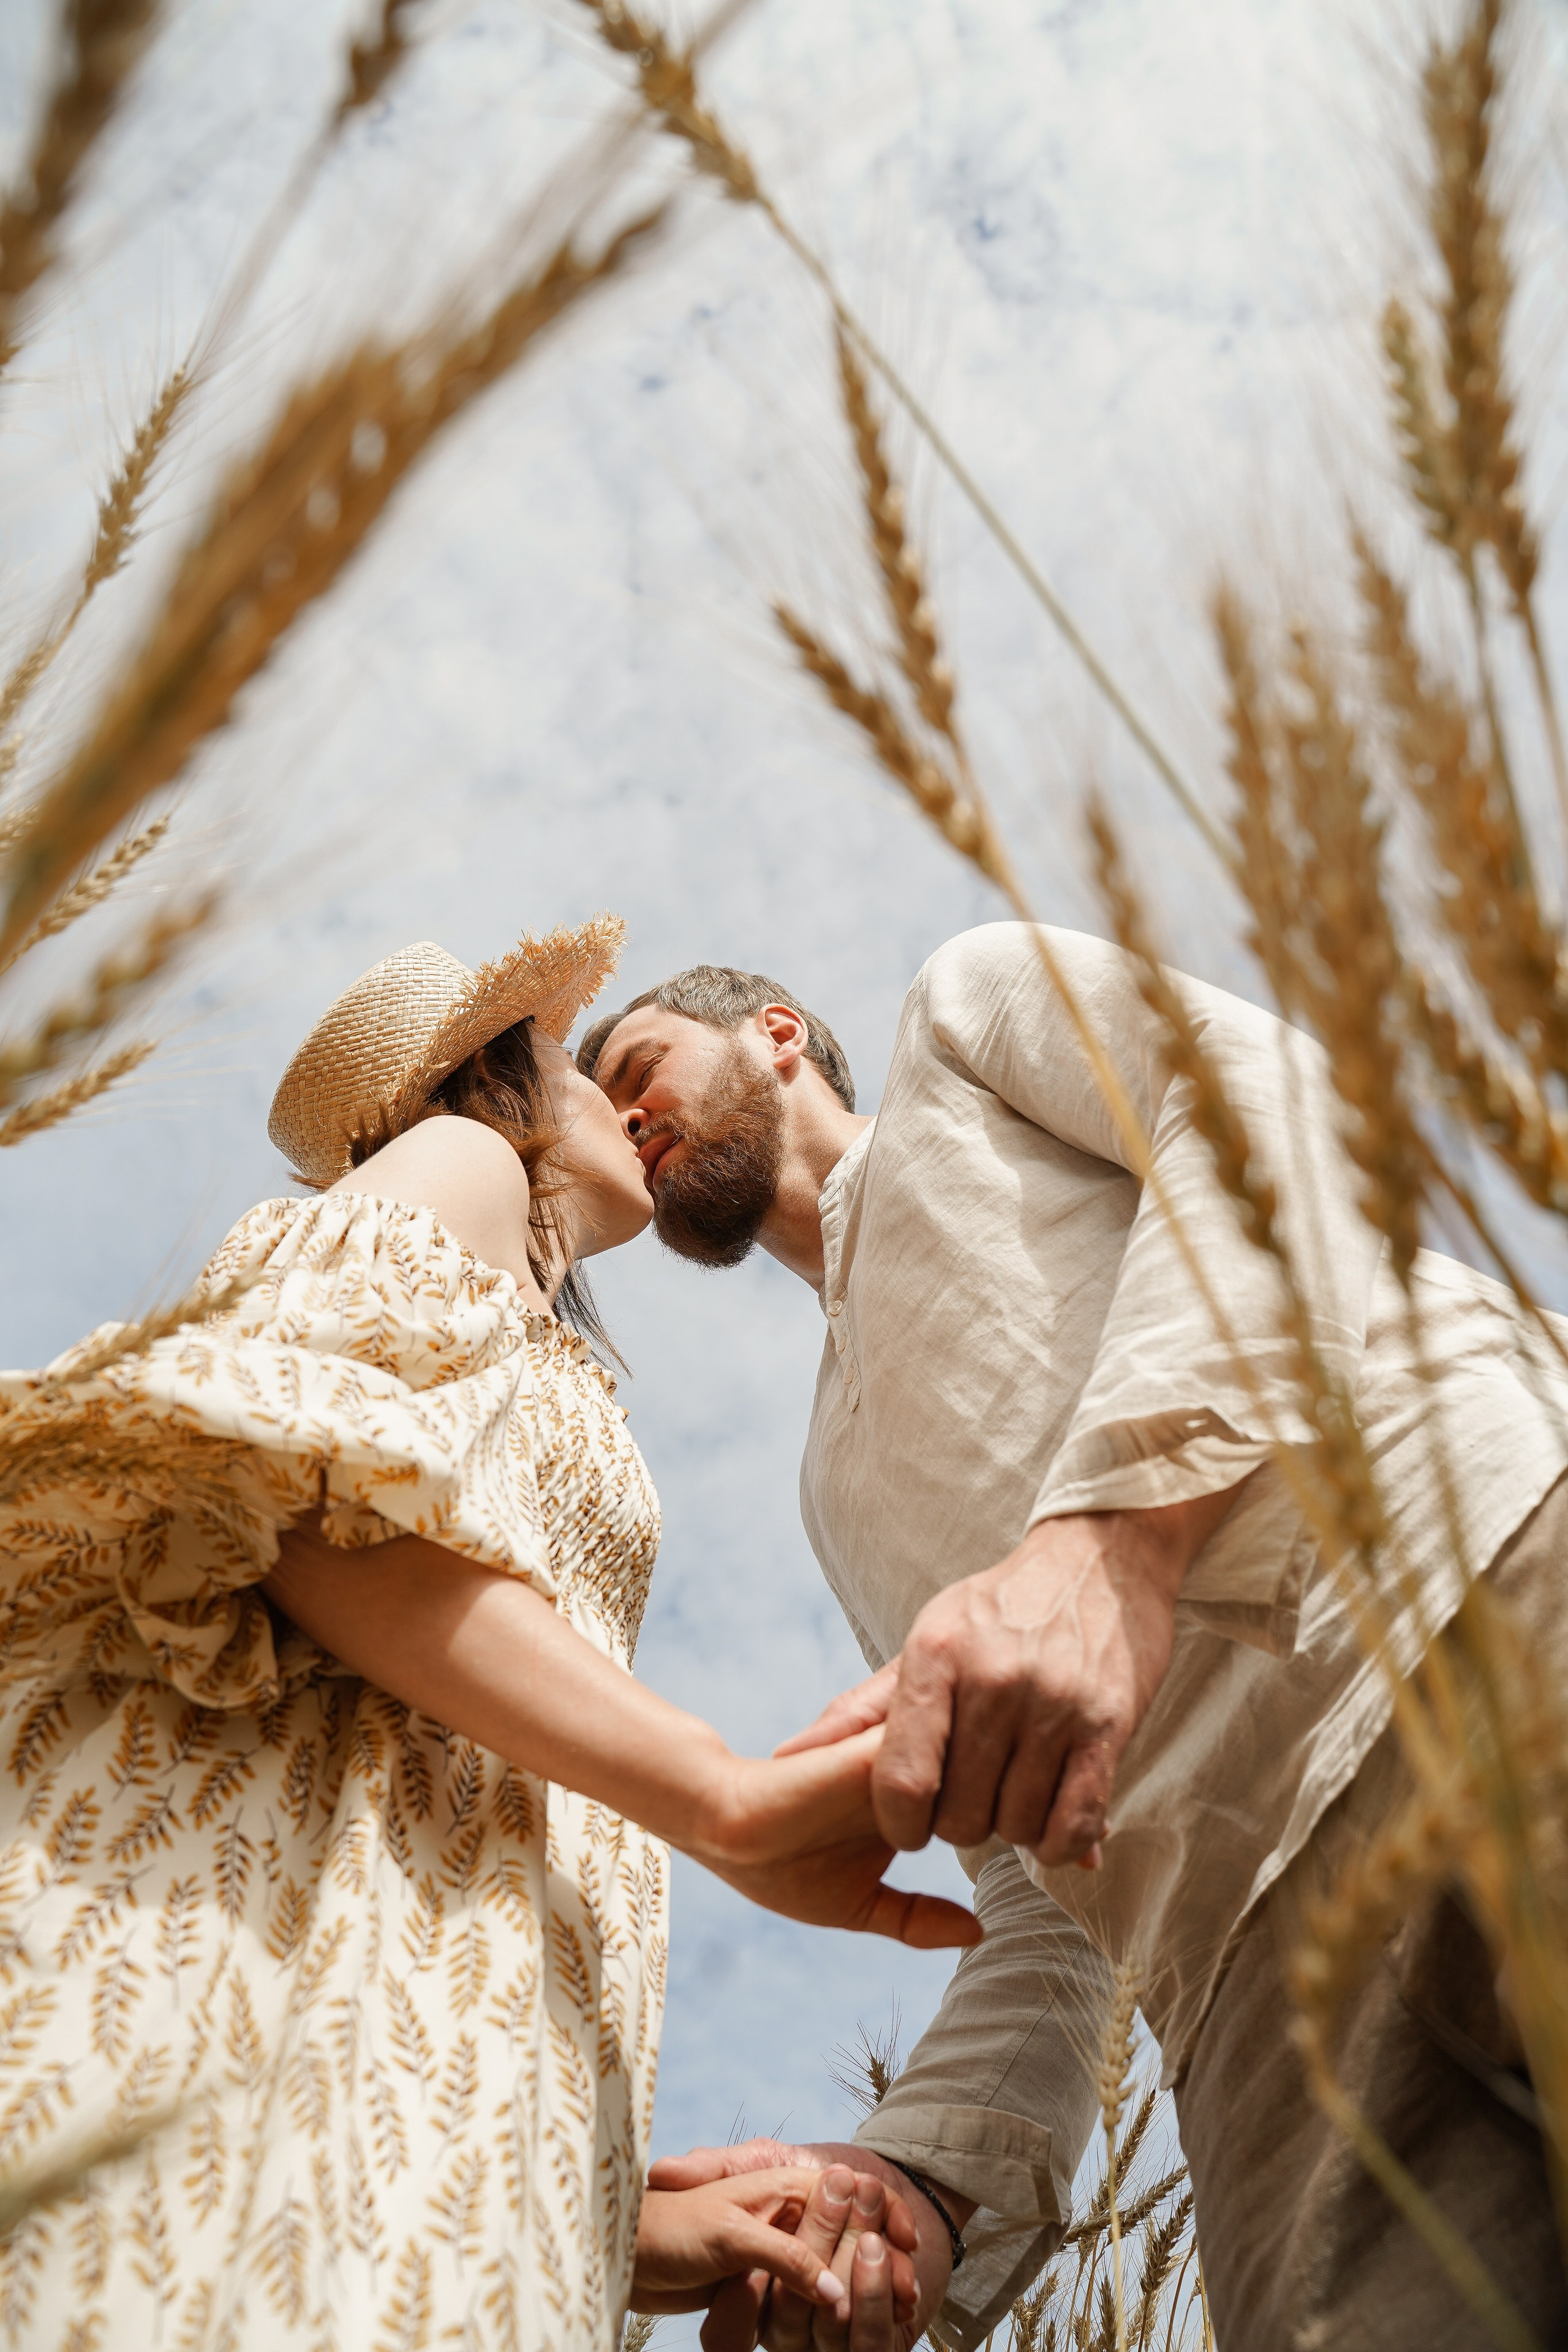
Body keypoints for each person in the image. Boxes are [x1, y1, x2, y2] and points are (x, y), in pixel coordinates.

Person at [579, 926, 1568, 2351]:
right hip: (1246, 1994)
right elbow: (1033, 1883)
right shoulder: (826, 1487)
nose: (623, 1114)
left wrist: (1113, 1540)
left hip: (1475, 1608)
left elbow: (1261, 1113)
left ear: (776, 1034)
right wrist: (919, 2176)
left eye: (638, 1064)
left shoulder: (960, 1016)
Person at [0, 915, 977, 2351]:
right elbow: (296, 1492)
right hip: (297, 1939)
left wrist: (623, 2219)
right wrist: (722, 1796)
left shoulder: (534, 1334)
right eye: (576, 1067)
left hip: (427, 2011)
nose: (612, 1099)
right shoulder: (465, 1168)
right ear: (491, 1087)